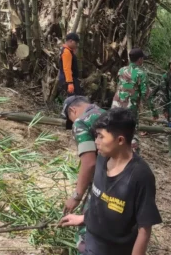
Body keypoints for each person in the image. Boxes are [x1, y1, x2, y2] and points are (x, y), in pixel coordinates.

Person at [59, 108, 162, 255]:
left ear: (120, 140)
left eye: (101, 137)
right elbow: (100, 200)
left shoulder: (140, 176)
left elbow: (144, 229)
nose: (96, 142)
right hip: (91, 245)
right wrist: (83, 218)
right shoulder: (102, 159)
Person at [61, 95, 106, 252]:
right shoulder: (106, 114)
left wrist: (76, 196)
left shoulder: (81, 122)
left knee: (86, 232)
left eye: (70, 118)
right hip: (126, 180)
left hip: (105, 182)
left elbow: (89, 163)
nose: (72, 123)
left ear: (72, 110)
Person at [111, 48, 152, 154]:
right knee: (132, 131)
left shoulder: (121, 70)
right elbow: (145, 94)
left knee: (116, 128)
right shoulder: (141, 73)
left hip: (116, 104)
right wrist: (153, 111)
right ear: (140, 60)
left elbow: (119, 85)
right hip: (130, 106)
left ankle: (114, 151)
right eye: (142, 58)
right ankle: (134, 155)